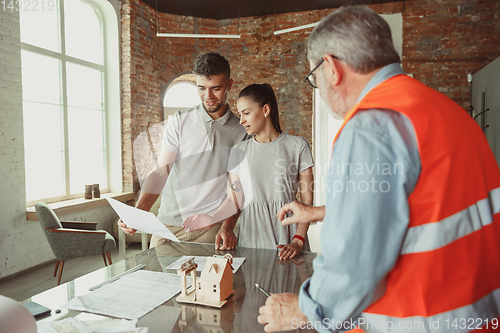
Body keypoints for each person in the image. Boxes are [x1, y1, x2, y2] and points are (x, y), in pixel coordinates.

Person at [258, 6, 500, 333]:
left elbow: (355, 261)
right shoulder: (450, 113)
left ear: (330, 67)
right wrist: (315, 213)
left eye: (313, 78)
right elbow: (418, 212)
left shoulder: (371, 125)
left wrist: (303, 311)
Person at [118, 52, 248, 250]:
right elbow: (162, 170)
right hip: (169, 225)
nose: (208, 96)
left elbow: (238, 189)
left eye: (216, 88)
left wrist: (227, 226)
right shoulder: (180, 120)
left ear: (229, 85)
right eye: (202, 88)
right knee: (156, 280)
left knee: (208, 281)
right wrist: (139, 212)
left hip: (210, 228)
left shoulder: (242, 131)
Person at [183, 83, 314, 260]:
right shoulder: (239, 150)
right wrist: (212, 219)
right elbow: (234, 199)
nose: (241, 120)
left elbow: (307, 201)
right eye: (240, 114)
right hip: (252, 237)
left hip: (289, 239)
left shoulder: (298, 146)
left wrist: (298, 240)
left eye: (246, 113)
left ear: (266, 110)